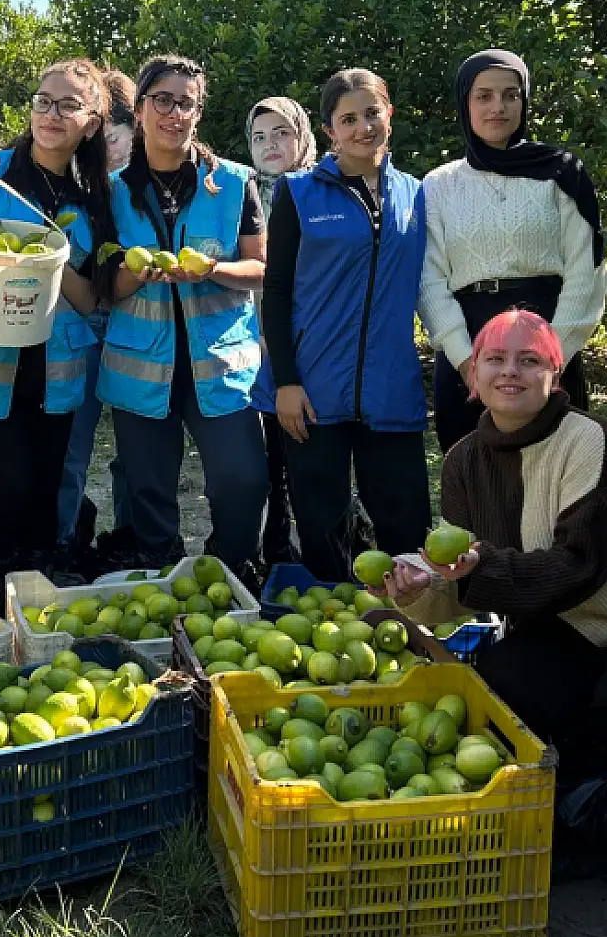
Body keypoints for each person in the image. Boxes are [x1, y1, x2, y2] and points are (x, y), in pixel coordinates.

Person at [386, 310, 607, 848]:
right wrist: (418, 593)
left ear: (556, 373)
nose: (511, 372)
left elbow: (580, 567)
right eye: (496, 359)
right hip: (570, 628)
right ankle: (589, 769)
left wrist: (478, 571)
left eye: (529, 360)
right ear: (472, 375)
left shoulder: (596, 443)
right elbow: (463, 587)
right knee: (502, 691)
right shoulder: (463, 463)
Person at [0, 59, 115, 612]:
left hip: (51, 375)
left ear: (94, 121)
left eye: (68, 105)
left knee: (40, 509)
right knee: (11, 496)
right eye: (42, 100)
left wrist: (51, 266)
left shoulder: (94, 199)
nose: (50, 114)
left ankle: (17, 606)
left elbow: (88, 299)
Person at [252, 71, 433, 580]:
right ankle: (333, 620)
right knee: (322, 525)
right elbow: (278, 289)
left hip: (390, 387)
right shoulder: (299, 193)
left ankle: (415, 627)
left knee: (408, 524)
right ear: (330, 130)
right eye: (348, 119)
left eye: (372, 113)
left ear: (389, 115)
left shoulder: (417, 196)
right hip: (311, 390)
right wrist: (285, 380)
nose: (362, 128)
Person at [99, 55, 269, 582]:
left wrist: (213, 269)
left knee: (242, 479)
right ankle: (160, 573)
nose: (175, 113)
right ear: (142, 108)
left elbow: (262, 268)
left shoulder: (237, 183)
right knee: (147, 486)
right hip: (141, 368)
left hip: (219, 364)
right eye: (163, 100)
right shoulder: (110, 189)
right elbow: (102, 286)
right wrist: (137, 273)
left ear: (199, 112)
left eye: (187, 103)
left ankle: (232, 568)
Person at [420, 49, 607, 451]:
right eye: (483, 96)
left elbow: (586, 267)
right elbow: (428, 277)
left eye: (510, 94)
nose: (497, 107)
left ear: (524, 101)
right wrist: (465, 359)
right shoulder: (438, 186)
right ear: (464, 102)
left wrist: (552, 355)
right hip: (468, 344)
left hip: (547, 338)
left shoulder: (561, 173)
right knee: (475, 482)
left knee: (556, 476)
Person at [54, 67, 136, 575]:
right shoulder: (75, 190)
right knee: (71, 449)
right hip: (80, 332)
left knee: (135, 452)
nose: (110, 147)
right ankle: (63, 540)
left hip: (137, 334)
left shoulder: (150, 186)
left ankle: (130, 537)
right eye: (101, 138)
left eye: (118, 136)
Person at [245, 94, 317, 567]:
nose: (269, 144)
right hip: (252, 338)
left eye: (281, 133)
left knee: (303, 449)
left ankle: (315, 546)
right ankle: (272, 546)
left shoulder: (321, 189)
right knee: (266, 455)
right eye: (258, 136)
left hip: (309, 337)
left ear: (302, 137)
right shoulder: (238, 191)